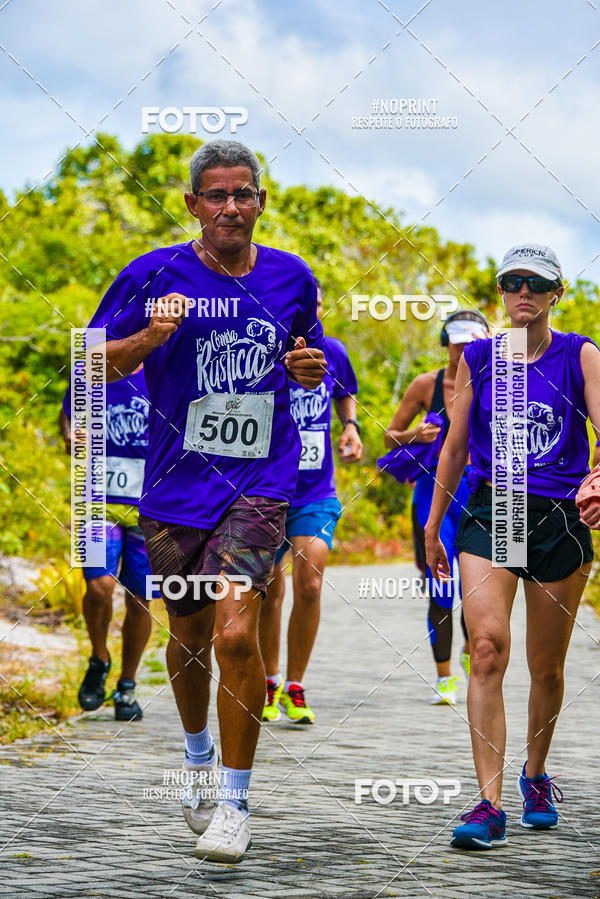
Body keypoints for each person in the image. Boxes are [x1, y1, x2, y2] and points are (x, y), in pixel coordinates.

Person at [85, 140, 326, 863]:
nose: (231, 207)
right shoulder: (152, 273)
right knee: (189, 637)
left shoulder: (292, 276)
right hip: (173, 490)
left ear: (261, 201)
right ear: (193, 204)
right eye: (216, 195)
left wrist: (307, 368)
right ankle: (197, 757)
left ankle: (235, 803)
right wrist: (151, 335)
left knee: (235, 637)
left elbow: (308, 357)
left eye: (243, 193)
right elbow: (91, 364)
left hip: (260, 482)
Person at [425, 244, 600, 850]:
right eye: (512, 282)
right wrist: (434, 525)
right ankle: (488, 804)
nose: (523, 292)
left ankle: (535, 775)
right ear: (501, 292)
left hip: (558, 517)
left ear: (556, 293)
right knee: (486, 649)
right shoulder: (479, 357)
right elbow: (453, 446)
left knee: (546, 667)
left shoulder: (579, 354)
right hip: (495, 509)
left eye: (536, 283)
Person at [259, 280, 363, 725]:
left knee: (311, 583)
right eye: (306, 305)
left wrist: (351, 427)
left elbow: (345, 393)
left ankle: (295, 686)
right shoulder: (261, 348)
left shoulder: (332, 351)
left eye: (318, 304)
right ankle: (269, 681)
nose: (312, 311)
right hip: (264, 488)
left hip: (315, 492)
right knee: (268, 590)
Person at [384, 310, 489, 704]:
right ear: (446, 343)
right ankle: (444, 678)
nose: (462, 351)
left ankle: (471, 650)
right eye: (456, 343)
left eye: (471, 343)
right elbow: (389, 437)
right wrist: (415, 434)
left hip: (481, 494)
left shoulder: (500, 383)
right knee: (441, 587)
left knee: (480, 590)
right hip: (433, 497)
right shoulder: (426, 385)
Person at [59, 365, 157, 721]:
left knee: (140, 597)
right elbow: (67, 412)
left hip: (150, 504)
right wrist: (70, 435)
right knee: (99, 585)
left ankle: (127, 684)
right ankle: (99, 658)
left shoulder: (164, 365)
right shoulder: (92, 368)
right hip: (97, 501)